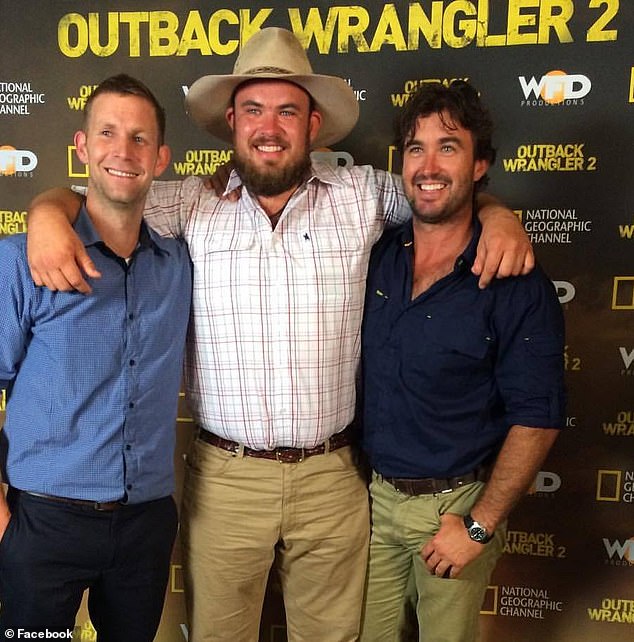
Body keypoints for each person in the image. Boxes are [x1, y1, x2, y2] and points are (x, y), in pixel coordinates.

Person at [25, 29, 533, 642]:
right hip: (226, 478)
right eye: (254, 111)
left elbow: (441, 191)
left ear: (313, 124)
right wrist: (46, 213)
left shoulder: (363, 195)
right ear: (232, 123)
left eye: (287, 111)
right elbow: (99, 197)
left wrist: (498, 215)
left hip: (333, 477)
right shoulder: (188, 203)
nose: (270, 127)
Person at [359, 81, 565, 642]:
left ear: (479, 165)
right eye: (416, 147)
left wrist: (479, 527)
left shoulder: (513, 279)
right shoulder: (380, 254)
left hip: (453, 509)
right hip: (373, 503)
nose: (428, 165)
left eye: (448, 147)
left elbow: (538, 417)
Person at [0, 75, 192, 641]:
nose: (122, 151)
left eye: (139, 138)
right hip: (42, 522)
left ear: (160, 159)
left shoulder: (178, 263)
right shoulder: (20, 261)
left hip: (145, 523)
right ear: (82, 148)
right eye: (107, 133)